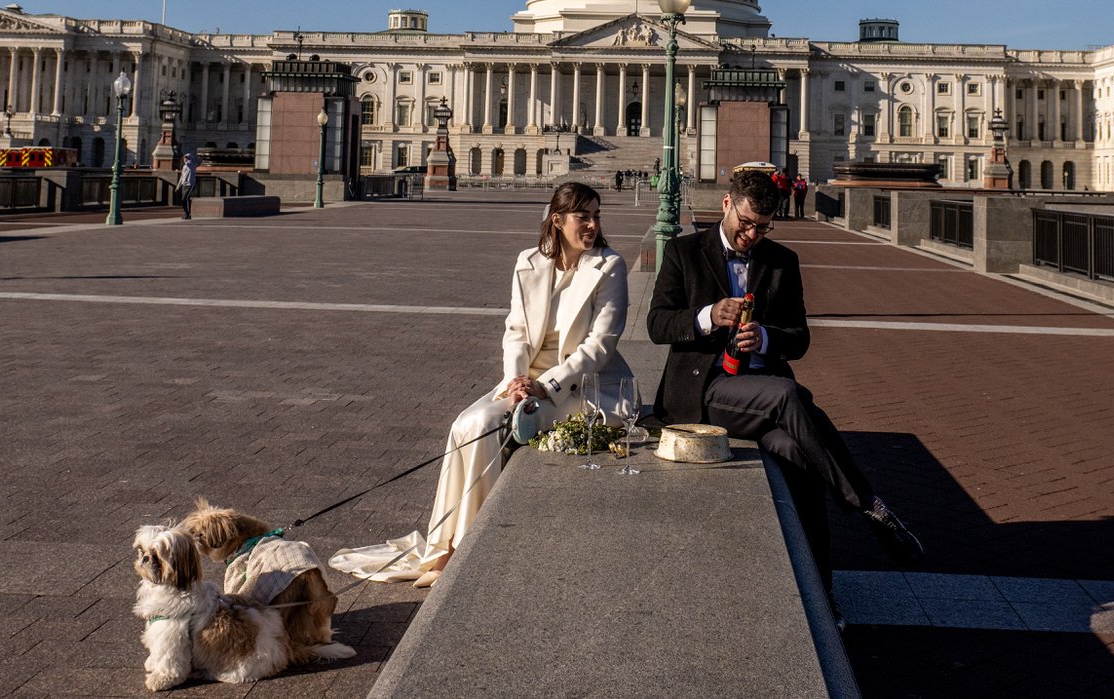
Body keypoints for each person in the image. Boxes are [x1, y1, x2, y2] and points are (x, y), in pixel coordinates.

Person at [331, 181, 632, 588]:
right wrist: (515, 381)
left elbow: (600, 346)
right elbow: (516, 332)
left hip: (584, 389)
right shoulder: (528, 262)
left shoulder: (609, 266)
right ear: (557, 221)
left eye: (597, 215)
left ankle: (466, 551)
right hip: (526, 383)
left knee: (489, 428)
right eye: (584, 216)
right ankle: (446, 547)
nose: (593, 224)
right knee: (466, 423)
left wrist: (547, 384)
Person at [647, 169, 922, 582]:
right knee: (789, 395)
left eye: (762, 228)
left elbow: (799, 339)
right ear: (727, 204)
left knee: (800, 459)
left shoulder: (782, 262)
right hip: (706, 391)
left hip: (760, 389)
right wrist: (707, 316)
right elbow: (657, 324)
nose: (751, 236)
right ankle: (867, 505)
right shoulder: (683, 252)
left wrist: (767, 338)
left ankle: (821, 591)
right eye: (745, 225)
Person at [176, 151, 198, 219]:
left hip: (190, 184)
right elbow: (182, 177)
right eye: (185, 158)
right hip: (184, 185)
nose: (185, 159)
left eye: (187, 158)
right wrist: (178, 186)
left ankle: (187, 214)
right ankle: (186, 213)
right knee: (185, 199)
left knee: (184, 198)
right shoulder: (184, 166)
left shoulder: (191, 165)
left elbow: (191, 163)